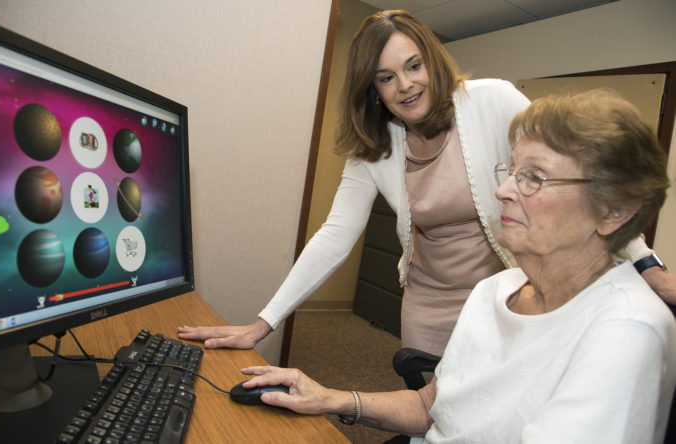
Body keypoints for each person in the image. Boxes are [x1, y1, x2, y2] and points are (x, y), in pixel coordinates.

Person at [178, 10, 675, 357]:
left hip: (509, 294)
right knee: (429, 416)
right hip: (427, 303)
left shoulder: (492, 101)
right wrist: (264, 322)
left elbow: (584, 178)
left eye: (413, 66)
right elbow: (334, 236)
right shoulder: (375, 147)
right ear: (371, 91)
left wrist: (647, 265)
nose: (405, 85)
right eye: (385, 78)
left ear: (432, 61)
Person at [236, 90, 676, 443]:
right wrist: (331, 398)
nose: (502, 190)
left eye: (534, 177)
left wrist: (650, 267)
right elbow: (433, 406)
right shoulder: (496, 289)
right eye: (511, 170)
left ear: (614, 211)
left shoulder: (626, 330)